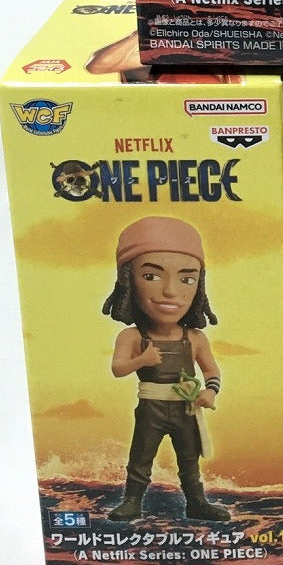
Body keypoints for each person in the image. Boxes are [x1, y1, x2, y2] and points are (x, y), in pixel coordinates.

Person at [101, 216, 230, 522]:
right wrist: (141, 361)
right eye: (151, 276)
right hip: (151, 407)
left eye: (187, 279)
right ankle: (132, 501)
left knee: (189, 458)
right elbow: (118, 368)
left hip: (185, 408)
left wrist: (210, 392)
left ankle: (196, 502)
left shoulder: (195, 338)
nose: (171, 291)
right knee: (141, 455)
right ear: (128, 282)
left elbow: (212, 372)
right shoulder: (132, 337)